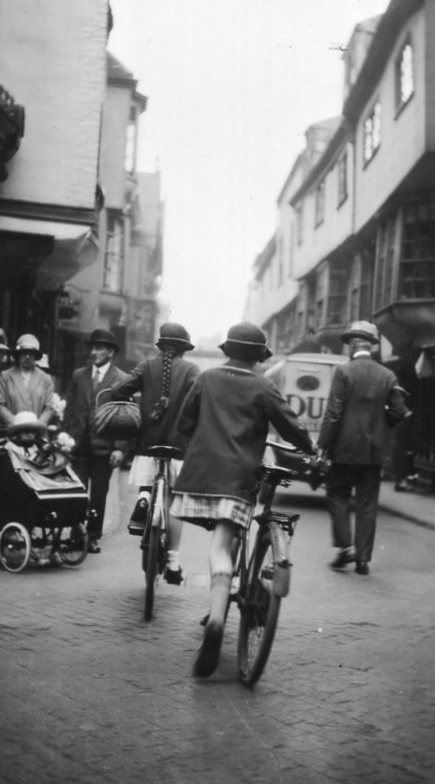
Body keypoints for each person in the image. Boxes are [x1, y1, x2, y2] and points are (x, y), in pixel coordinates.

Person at [170, 321, 316, 678]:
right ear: (259, 357)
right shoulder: (264, 386)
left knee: (219, 545)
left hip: (202, 476)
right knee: (227, 538)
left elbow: (184, 425)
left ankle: (217, 615)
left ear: (227, 351)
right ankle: (219, 616)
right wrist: (310, 448)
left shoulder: (206, 379)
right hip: (239, 479)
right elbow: (291, 427)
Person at [317, 320, 411, 576]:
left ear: (352, 346)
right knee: (367, 503)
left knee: (337, 494)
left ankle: (344, 547)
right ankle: (363, 559)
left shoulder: (344, 372)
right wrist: (381, 424)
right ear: (372, 347)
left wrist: (323, 445)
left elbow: (334, 413)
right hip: (373, 452)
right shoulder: (388, 375)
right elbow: (400, 411)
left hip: (344, 449)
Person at [111, 322, 200, 584]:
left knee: (148, 487)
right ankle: (173, 563)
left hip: (147, 446)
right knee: (174, 504)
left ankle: (144, 497)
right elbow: (202, 400)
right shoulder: (192, 370)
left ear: (160, 345)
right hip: (178, 448)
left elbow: (118, 391)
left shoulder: (147, 365)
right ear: (184, 348)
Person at [63, 329, 129, 553]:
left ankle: (92, 536)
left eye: (99, 348)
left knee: (99, 494)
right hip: (78, 445)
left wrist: (120, 448)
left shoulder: (121, 379)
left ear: (110, 352)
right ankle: (75, 535)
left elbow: (124, 417)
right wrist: (65, 437)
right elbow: (69, 409)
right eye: (92, 347)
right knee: (76, 491)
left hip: (104, 447)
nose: (94, 352)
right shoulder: (79, 375)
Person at [0, 333, 55, 430]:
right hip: (13, 431)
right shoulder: (5, 376)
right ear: (18, 354)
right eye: (24, 353)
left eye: (31, 353)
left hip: (37, 432)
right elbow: (1, 404)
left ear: (36, 356)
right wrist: (15, 422)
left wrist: (38, 424)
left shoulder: (46, 379)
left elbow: (49, 407)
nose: (27, 357)